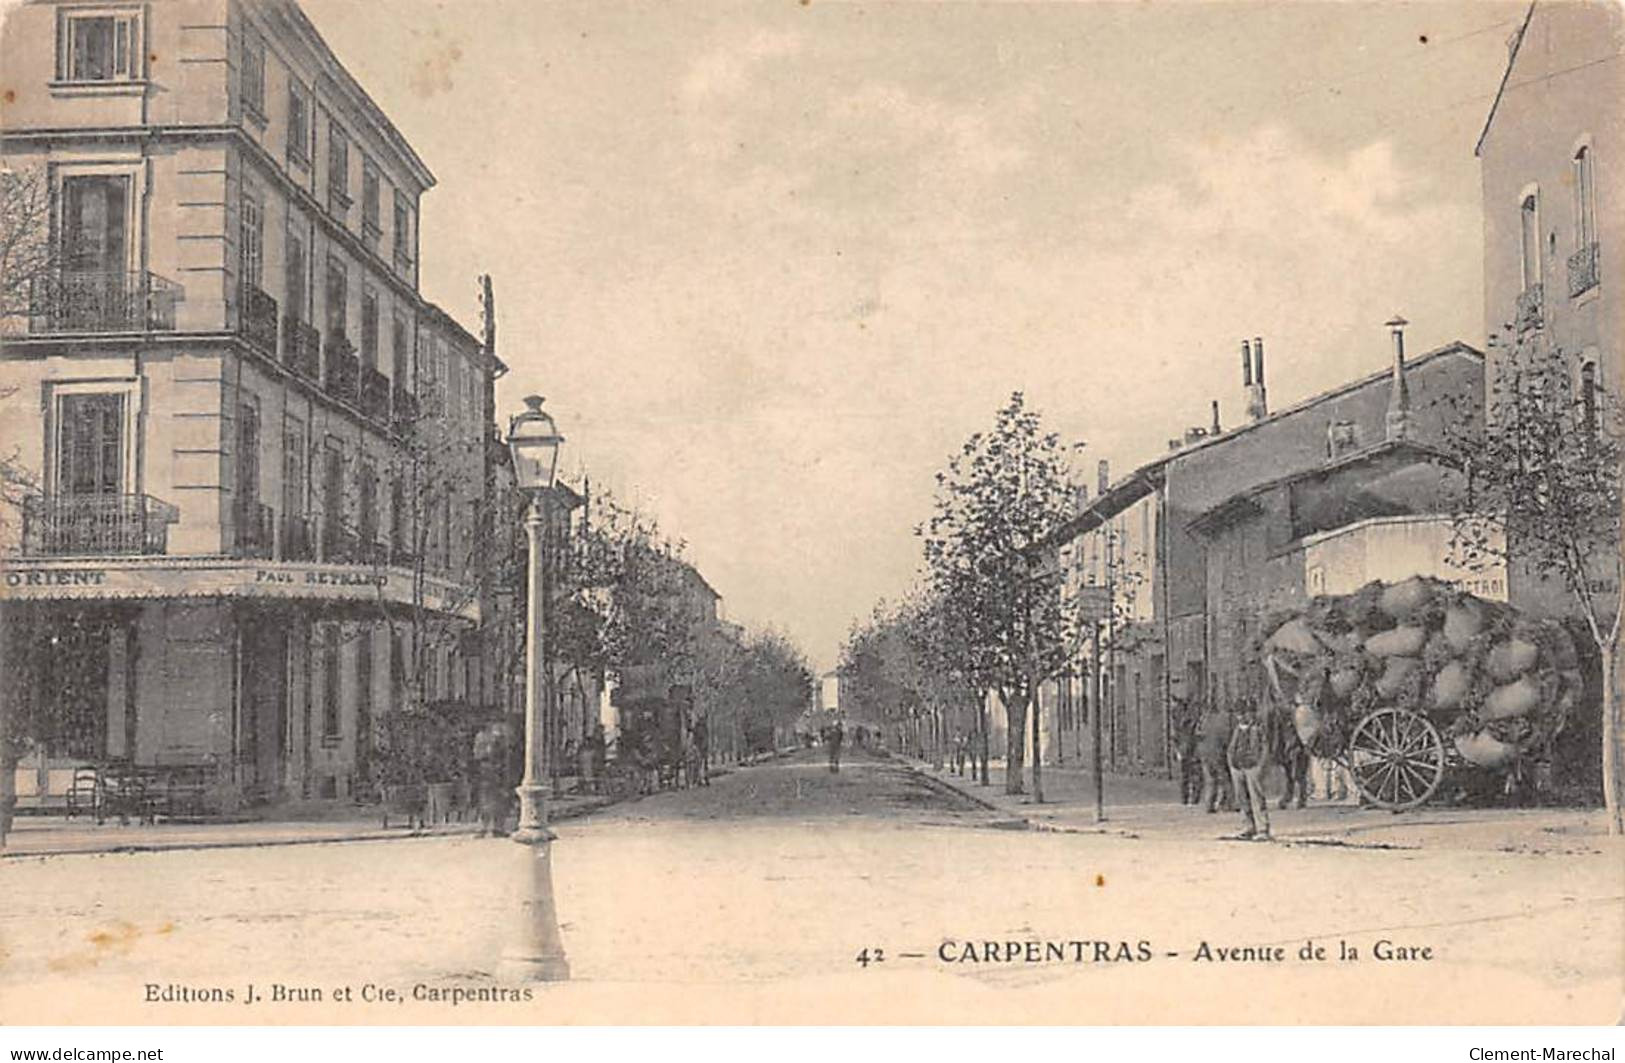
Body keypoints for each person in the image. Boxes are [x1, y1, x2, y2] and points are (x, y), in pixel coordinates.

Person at [1228, 697, 1272, 840]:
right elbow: (1231, 747)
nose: (1241, 717)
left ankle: (1262, 828)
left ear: (1251, 713)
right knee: (1242, 798)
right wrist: (1231, 762)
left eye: (1244, 713)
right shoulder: (1237, 728)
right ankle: (1248, 826)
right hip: (1238, 767)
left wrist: (1261, 765)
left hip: (1253, 766)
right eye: (1238, 714)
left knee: (1256, 797)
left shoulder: (1259, 727)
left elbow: (1265, 748)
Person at [1196, 698, 1235, 813]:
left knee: (1210, 780)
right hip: (1217, 753)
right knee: (1224, 779)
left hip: (1205, 753)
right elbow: (1226, 738)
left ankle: (1209, 804)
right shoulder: (1222, 721)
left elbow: (1198, 736)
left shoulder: (1203, 721)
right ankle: (1230, 803)